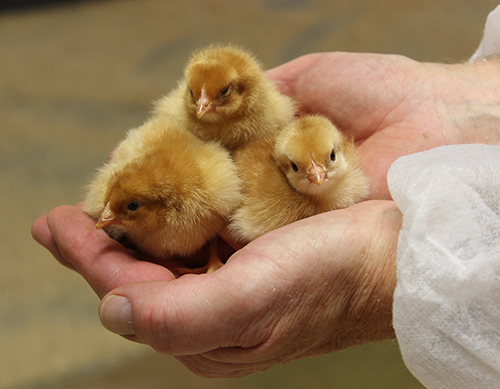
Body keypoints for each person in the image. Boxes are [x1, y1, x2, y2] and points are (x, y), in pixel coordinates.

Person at [31, 7, 500, 387]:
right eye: (195, 97)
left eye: (216, 96)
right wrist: (457, 96)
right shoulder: (212, 161)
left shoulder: (277, 148)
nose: (200, 108)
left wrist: (379, 271)